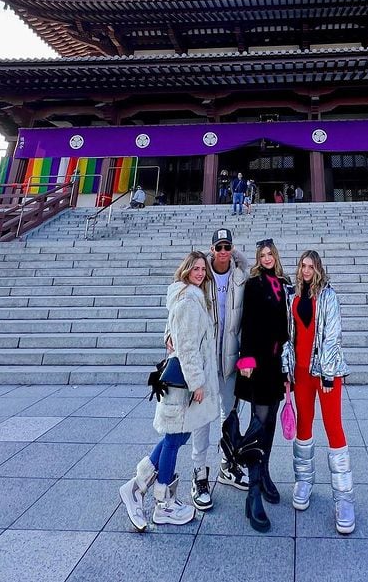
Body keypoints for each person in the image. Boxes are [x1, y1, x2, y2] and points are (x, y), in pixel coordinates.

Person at [119, 251, 218, 530]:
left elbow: (174, 331)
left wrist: (168, 336)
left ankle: (137, 486)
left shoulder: (188, 296)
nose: (200, 273)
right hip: (185, 384)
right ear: (186, 270)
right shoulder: (188, 300)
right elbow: (185, 346)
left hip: (184, 381)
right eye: (195, 268)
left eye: (203, 269)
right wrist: (197, 382)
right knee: (175, 439)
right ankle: (164, 503)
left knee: (176, 436)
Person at [283, 250, 354, 535]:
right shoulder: (293, 296)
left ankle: (344, 498)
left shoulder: (328, 296)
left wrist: (326, 371)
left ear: (319, 268)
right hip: (300, 372)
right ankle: (304, 480)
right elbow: (289, 335)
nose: (306, 270)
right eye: (303, 265)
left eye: (311, 266)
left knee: (333, 427)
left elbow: (333, 336)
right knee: (303, 425)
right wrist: (286, 368)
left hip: (325, 373)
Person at [187, 228, 250, 508]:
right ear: (211, 248)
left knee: (230, 416)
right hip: (206, 358)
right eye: (219, 246)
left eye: (228, 246)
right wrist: (169, 334)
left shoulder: (240, 276)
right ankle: (199, 473)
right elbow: (181, 300)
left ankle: (228, 464)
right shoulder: (202, 275)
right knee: (202, 418)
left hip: (230, 359)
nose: (223, 251)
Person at [235, 238, 291, 533]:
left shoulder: (283, 282)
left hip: (277, 364)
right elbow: (247, 323)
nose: (267, 258)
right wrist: (246, 360)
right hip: (258, 363)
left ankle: (265, 472)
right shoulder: (254, 284)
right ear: (257, 258)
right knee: (258, 423)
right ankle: (253, 491)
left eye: (271, 254)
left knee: (269, 426)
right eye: (262, 255)